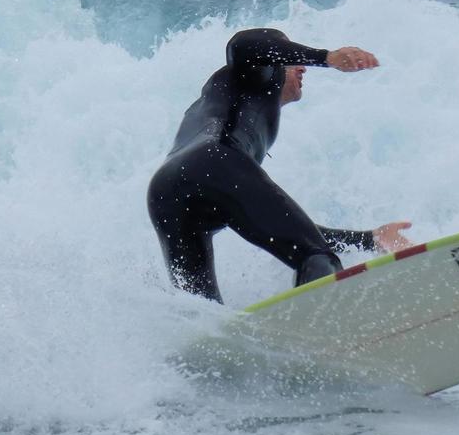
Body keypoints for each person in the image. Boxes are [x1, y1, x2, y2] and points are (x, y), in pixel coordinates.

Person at [147, 27, 413, 303]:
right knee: (317, 258)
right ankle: (330, 333)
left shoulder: (227, 105)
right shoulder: (256, 76)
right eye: (292, 60)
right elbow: (244, 44)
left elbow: (289, 229)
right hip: (213, 162)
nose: (302, 69)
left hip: (165, 192)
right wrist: (326, 57)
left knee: (203, 310)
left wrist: (369, 239)